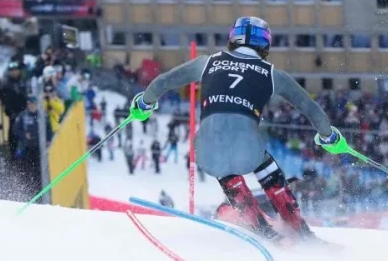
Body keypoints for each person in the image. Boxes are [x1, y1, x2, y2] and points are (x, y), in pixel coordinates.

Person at [130, 16, 347, 246]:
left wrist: (144, 103)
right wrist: (328, 137)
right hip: (248, 148)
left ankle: (261, 230)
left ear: (233, 39)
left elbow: (162, 82)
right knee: (263, 164)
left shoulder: (207, 63)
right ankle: (298, 229)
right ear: (265, 45)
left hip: (205, 148)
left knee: (224, 163)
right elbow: (312, 110)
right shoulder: (272, 73)